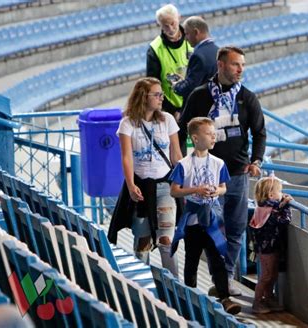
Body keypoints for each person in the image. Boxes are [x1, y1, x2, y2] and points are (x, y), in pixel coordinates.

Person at [179, 46, 266, 295]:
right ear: (220, 65)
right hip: (207, 176)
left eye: (242, 65)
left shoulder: (247, 98)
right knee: (211, 228)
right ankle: (215, 278)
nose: (240, 69)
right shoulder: (199, 96)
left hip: (237, 174)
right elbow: (183, 129)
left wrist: (256, 161)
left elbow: (259, 132)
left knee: (236, 228)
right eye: (235, 64)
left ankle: (224, 279)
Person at [107, 77, 182, 277]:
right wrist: (131, 185)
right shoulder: (127, 123)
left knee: (166, 238)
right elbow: (126, 157)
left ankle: (175, 286)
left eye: (161, 94)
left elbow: (176, 154)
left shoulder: (167, 120)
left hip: (164, 184)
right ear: (143, 97)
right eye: (156, 95)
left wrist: (185, 179)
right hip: (141, 185)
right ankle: (141, 283)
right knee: (143, 240)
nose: (161, 98)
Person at [169, 117, 241, 315]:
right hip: (193, 220)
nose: (214, 137)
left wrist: (215, 192)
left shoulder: (218, 163)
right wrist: (195, 190)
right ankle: (189, 296)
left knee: (217, 257)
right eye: (209, 134)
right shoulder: (183, 164)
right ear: (195, 138)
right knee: (191, 259)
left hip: (212, 219)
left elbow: (224, 187)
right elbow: (174, 191)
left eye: (214, 133)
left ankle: (224, 297)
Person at [249, 176, 292, 314]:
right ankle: (257, 302)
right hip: (268, 249)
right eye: (280, 191)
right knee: (267, 275)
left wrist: (281, 203)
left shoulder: (264, 207)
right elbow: (285, 220)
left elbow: (275, 211)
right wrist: (287, 205)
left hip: (267, 247)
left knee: (272, 274)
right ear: (271, 195)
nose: (282, 194)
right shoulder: (270, 211)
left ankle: (268, 297)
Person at [146, 4, 193, 118]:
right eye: (165, 26)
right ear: (160, 25)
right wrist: (172, 111)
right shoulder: (155, 49)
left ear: (179, 18)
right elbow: (153, 85)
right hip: (170, 110)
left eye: (172, 23)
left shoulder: (193, 38)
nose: (170, 29)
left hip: (195, 105)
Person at [171, 16, 218, 107]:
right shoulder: (218, 50)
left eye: (187, 34)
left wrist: (177, 85)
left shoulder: (198, 55)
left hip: (200, 110)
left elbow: (190, 87)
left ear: (196, 32)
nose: (185, 39)